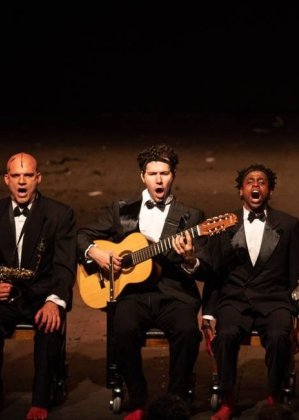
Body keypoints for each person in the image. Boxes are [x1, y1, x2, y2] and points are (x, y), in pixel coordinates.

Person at [77, 144, 205, 420]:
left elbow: (206, 267)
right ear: (142, 177)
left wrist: (190, 259)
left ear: (173, 175)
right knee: (122, 330)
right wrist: (95, 252)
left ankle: (175, 399)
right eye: (152, 174)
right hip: (132, 295)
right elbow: (81, 236)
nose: (159, 180)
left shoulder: (191, 216)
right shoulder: (122, 209)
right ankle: (138, 399)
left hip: (174, 295)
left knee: (188, 332)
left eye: (164, 173)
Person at [0, 153, 76, 420]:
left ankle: (41, 400)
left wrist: (54, 301)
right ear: (6, 179)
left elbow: (64, 266)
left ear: (38, 178)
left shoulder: (60, 214)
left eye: (28, 175)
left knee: (50, 327)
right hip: (4, 296)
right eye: (16, 176)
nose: (22, 182)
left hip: (43, 295)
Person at [200, 164, 299, 420]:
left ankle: (274, 398)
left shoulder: (288, 225)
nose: (256, 185)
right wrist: (208, 316)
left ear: (270, 191)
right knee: (226, 336)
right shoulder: (224, 225)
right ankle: (227, 399)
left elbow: (297, 276)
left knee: (279, 337)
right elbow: (214, 274)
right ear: (241, 191)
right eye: (249, 181)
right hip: (235, 300)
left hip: (274, 300)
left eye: (262, 181)